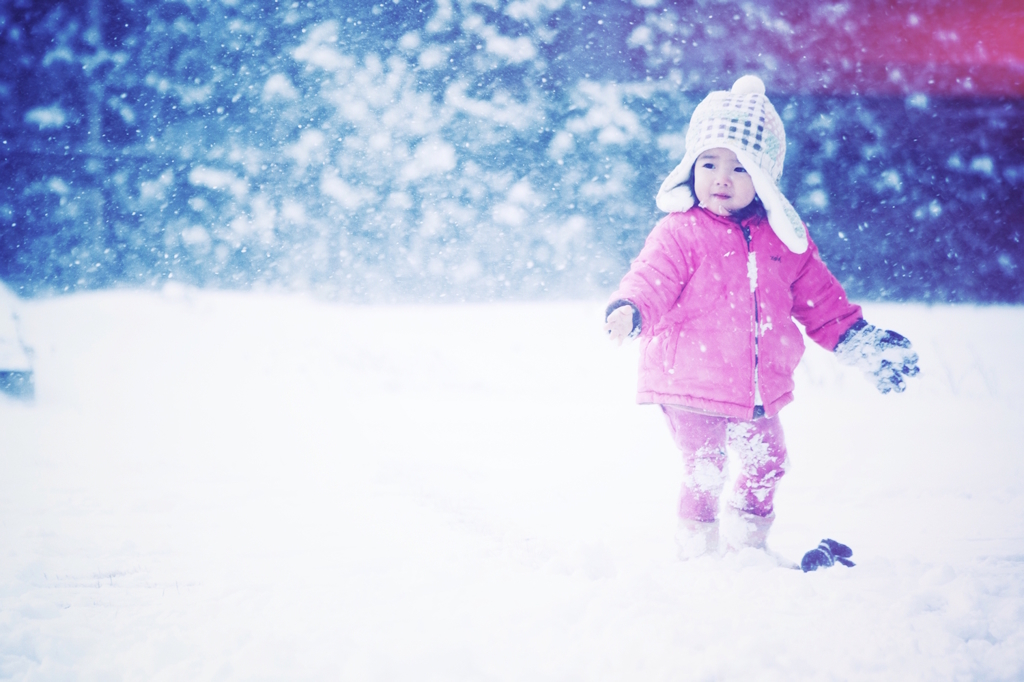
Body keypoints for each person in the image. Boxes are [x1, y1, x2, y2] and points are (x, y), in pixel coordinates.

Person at [604, 75, 919, 561]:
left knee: (768, 463)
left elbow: (822, 302)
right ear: (691, 168)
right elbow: (652, 278)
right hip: (690, 377)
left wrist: (860, 342)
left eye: (739, 167)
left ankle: (749, 547)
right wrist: (630, 309)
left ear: (764, 177)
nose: (721, 178)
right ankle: (698, 553)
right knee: (705, 468)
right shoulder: (681, 232)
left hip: (756, 387)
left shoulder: (784, 239)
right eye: (709, 163)